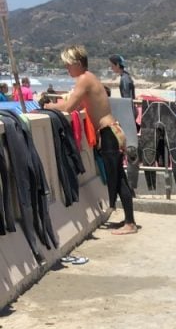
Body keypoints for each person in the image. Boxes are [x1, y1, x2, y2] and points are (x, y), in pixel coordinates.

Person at [43, 45, 138, 234]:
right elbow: (78, 105)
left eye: (68, 64)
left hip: (109, 133)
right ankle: (129, 220)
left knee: (118, 179)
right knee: (119, 177)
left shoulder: (84, 79)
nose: (66, 68)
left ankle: (130, 223)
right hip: (112, 131)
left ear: (78, 63)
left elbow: (69, 108)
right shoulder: (89, 78)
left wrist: (48, 106)